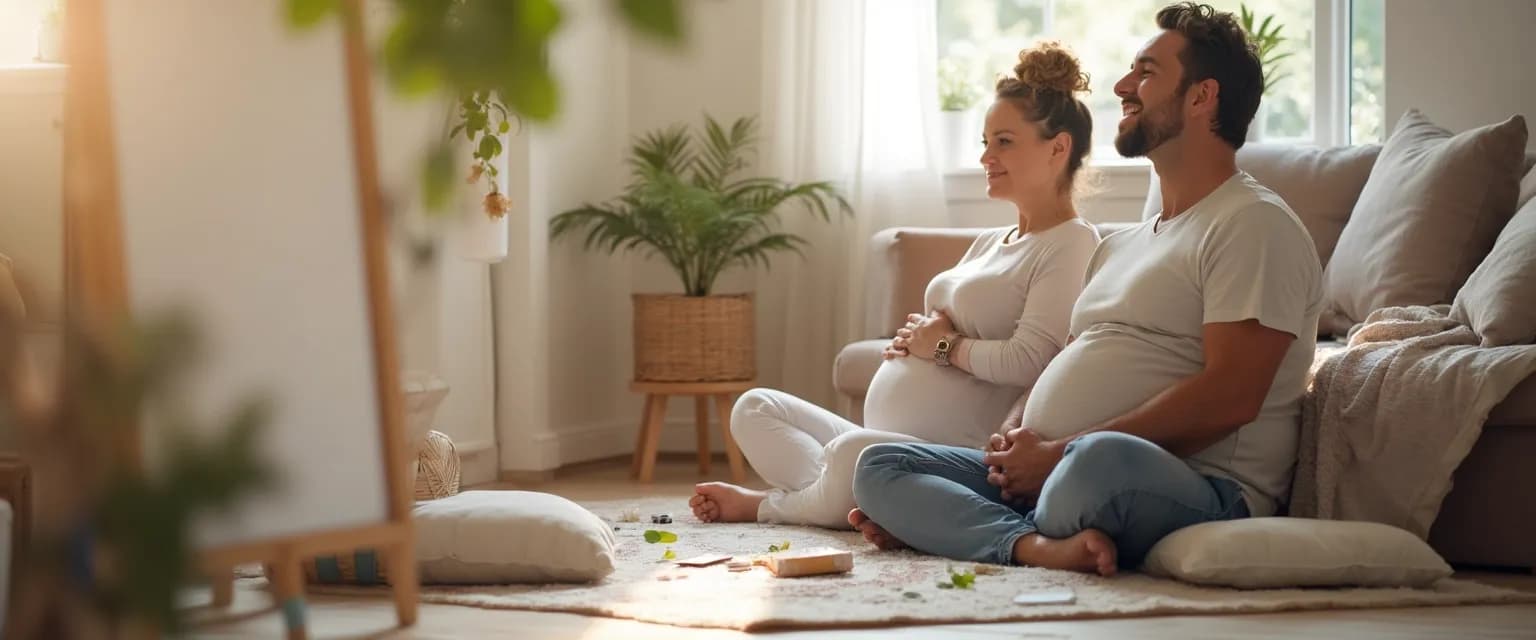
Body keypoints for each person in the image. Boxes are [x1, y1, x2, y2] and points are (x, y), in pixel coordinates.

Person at [849, 1, 1324, 577]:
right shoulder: (1119, 244)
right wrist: (1016, 437)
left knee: (1095, 464)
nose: (1122, 86)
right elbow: (1066, 363)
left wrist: (1060, 452)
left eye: (1146, 73)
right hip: (1059, 467)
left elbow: (1231, 396)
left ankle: (963, 525)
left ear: (1202, 97)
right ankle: (1033, 543)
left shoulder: (1251, 222)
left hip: (1192, 482)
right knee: (880, 467)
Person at [688, 43, 1102, 529]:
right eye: (985, 141)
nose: (986, 156)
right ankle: (854, 500)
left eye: (1004, 141)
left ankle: (771, 506)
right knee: (755, 407)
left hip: (951, 453)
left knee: (853, 454)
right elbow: (941, 330)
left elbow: (1033, 361)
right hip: (882, 439)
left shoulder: (1072, 242)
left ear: (1058, 148)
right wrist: (921, 338)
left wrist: (941, 345)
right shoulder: (992, 241)